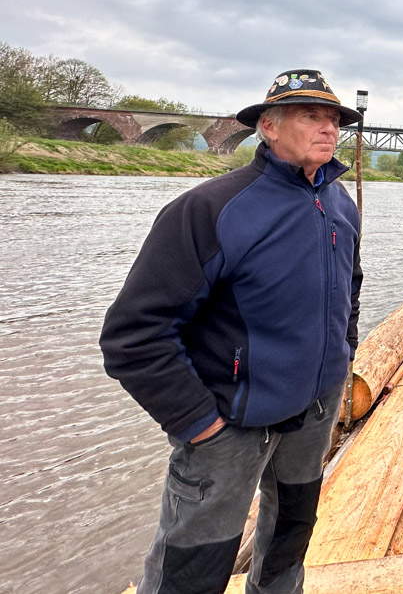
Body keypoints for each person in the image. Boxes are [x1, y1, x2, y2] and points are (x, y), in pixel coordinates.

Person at [100, 69, 364, 594]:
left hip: (312, 411)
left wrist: (341, 355)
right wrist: (199, 421)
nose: (329, 129)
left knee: (290, 537)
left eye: (334, 119)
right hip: (229, 421)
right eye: (311, 115)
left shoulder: (340, 205)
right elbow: (133, 335)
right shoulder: (212, 209)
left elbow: (349, 289)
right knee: (194, 564)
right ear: (267, 126)